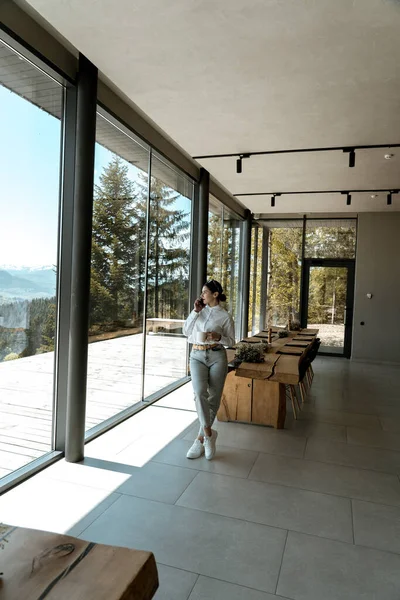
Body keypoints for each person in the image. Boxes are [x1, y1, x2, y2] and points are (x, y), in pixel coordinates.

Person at [183, 279, 235, 460]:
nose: (202, 295)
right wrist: (195, 312)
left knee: (213, 398)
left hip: (217, 356)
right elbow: (185, 331)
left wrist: (219, 336)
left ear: (215, 295)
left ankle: (199, 439)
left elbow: (231, 342)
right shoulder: (199, 311)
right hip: (196, 356)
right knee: (199, 393)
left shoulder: (225, 316)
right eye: (202, 292)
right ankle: (209, 434)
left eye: (205, 292)